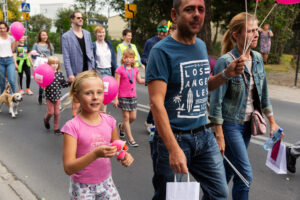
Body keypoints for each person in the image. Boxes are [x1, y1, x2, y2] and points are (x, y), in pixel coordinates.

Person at [146, 0, 246, 199]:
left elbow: (202, 84)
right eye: (189, 9)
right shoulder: (161, 51)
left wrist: (226, 74)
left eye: (200, 9)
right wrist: (173, 148)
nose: (197, 14)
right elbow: (156, 103)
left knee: (219, 194)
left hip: (203, 135)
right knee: (168, 196)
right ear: (175, 15)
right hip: (174, 138)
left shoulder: (200, 45)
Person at [209, 13, 282, 200]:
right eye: (250, 31)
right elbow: (215, 102)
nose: (256, 34)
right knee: (245, 176)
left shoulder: (257, 58)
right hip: (230, 125)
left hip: (248, 125)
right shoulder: (226, 62)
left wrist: (272, 122)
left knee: (227, 173)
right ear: (236, 35)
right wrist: (219, 135)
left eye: (257, 29)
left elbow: (263, 94)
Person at [61, 70, 134, 199]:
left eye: (99, 92)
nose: (95, 97)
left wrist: (124, 156)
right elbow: (68, 168)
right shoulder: (72, 127)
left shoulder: (109, 121)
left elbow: (117, 146)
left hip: (106, 182)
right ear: (77, 97)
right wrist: (95, 154)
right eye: (88, 93)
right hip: (82, 187)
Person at [62, 11, 95, 117]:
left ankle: (85, 122)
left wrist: (92, 66)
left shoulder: (87, 34)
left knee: (87, 98)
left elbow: (90, 51)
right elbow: (66, 57)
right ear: (72, 20)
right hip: (76, 72)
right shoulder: (66, 36)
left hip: (88, 71)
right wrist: (70, 74)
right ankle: (76, 124)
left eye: (82, 17)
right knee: (76, 101)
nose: (81, 19)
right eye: (78, 17)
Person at [113, 48, 145, 147]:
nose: (128, 59)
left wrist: (150, 79)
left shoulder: (135, 69)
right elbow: (116, 85)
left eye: (131, 58)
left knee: (133, 117)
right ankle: (131, 139)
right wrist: (116, 98)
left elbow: (139, 80)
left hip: (133, 96)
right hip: (123, 96)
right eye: (126, 57)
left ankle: (121, 127)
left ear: (133, 59)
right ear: (123, 58)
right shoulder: (119, 69)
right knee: (126, 117)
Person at [141, 20, 169, 133]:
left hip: (165, 75)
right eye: (160, 31)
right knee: (155, 101)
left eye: (164, 32)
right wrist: (148, 62)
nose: (161, 34)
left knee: (163, 101)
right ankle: (150, 122)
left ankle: (155, 122)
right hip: (153, 75)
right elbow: (143, 58)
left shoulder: (169, 42)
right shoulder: (150, 42)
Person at [92, 25, 117, 113]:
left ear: (105, 33)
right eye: (99, 32)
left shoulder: (108, 44)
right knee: (99, 95)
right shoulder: (94, 45)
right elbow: (92, 59)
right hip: (99, 72)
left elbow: (113, 59)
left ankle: (102, 115)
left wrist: (115, 71)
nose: (101, 34)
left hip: (108, 71)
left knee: (105, 96)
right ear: (95, 34)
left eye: (102, 32)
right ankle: (98, 115)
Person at [43, 56, 69, 134]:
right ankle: (46, 120)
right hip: (49, 97)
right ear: (49, 65)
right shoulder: (46, 74)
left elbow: (64, 84)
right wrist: (42, 86)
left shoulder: (59, 74)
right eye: (52, 64)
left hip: (57, 97)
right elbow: (42, 83)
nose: (55, 65)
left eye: (56, 64)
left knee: (57, 113)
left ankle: (56, 128)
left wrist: (70, 82)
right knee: (51, 112)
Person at [32, 30, 54, 104]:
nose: (45, 36)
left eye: (46, 35)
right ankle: (41, 95)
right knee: (42, 82)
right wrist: (35, 55)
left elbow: (52, 55)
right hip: (40, 66)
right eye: (43, 35)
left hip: (48, 65)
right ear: (40, 36)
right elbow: (33, 55)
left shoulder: (49, 45)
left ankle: (47, 96)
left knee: (49, 81)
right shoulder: (36, 45)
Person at [0, 21, 17, 94]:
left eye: (4, 28)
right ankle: (3, 97)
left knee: (11, 80)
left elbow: (13, 51)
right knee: (1, 81)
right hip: (0, 61)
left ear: (7, 28)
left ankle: (14, 97)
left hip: (10, 60)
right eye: (0, 28)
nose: (2, 30)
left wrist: (15, 63)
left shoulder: (11, 38)